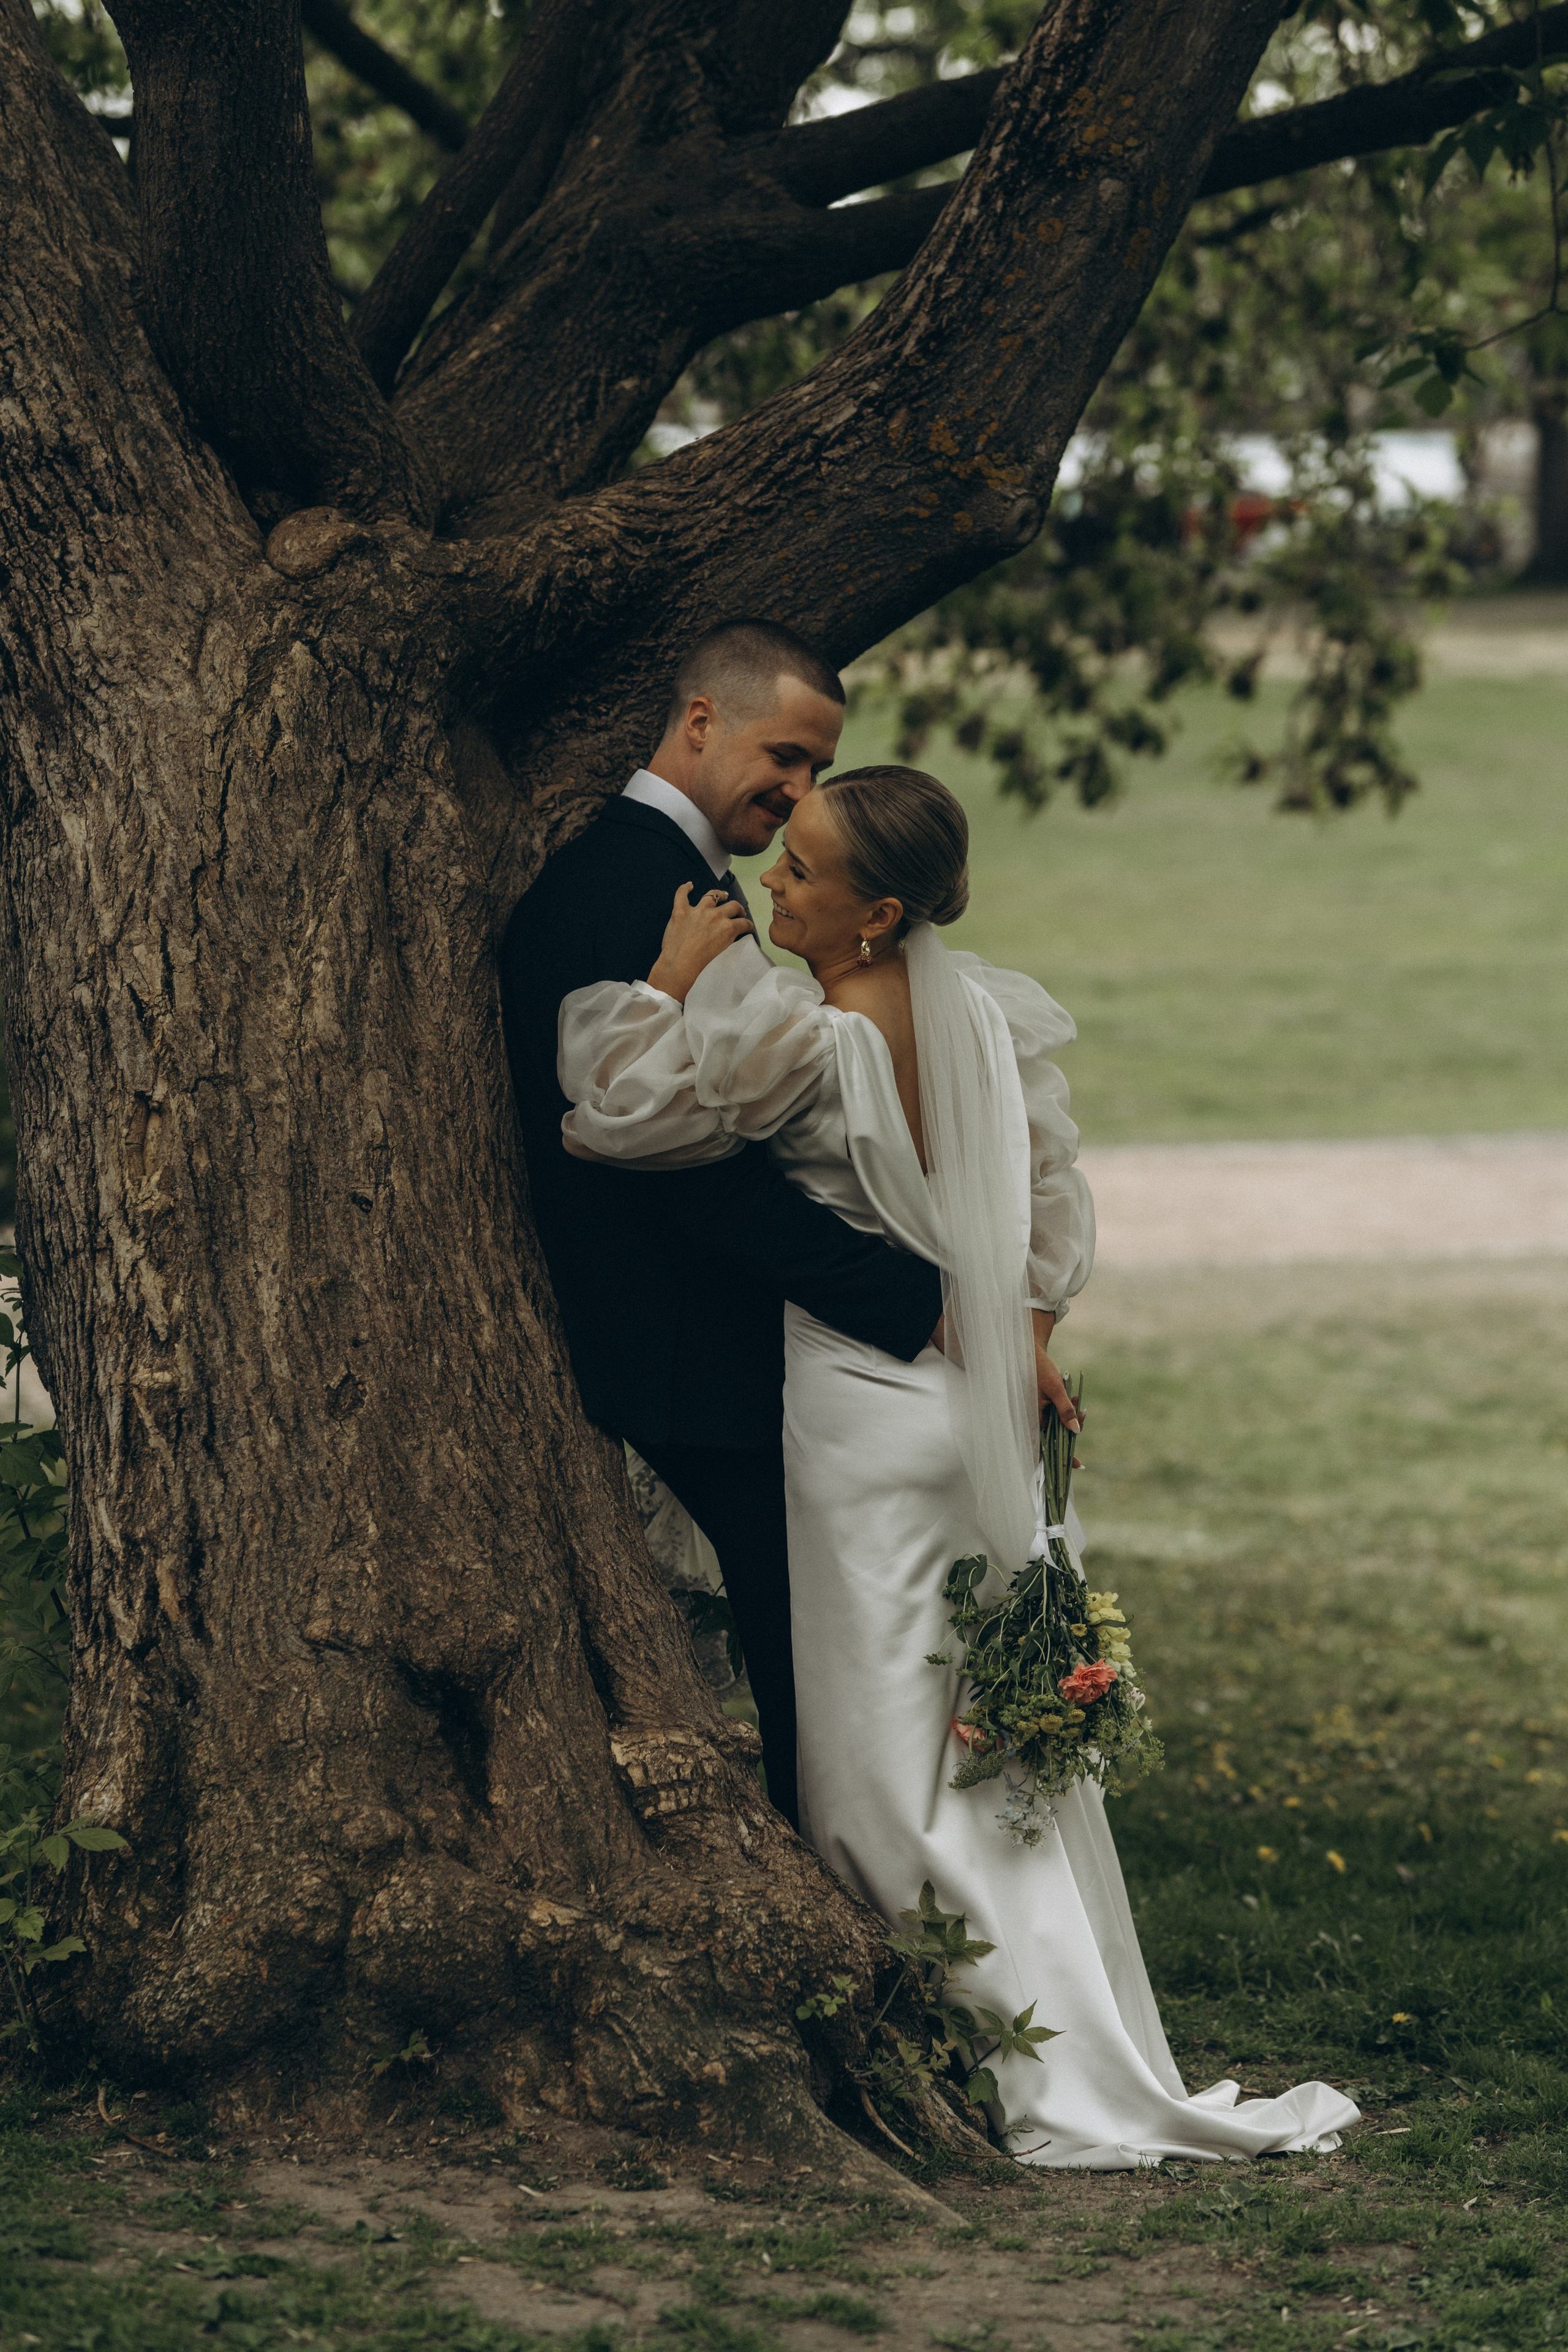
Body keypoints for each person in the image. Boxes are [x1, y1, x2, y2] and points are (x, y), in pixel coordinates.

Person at [556, 761, 1362, 2169]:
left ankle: (959, 2032)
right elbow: (1042, 1191)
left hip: (862, 1414)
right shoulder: (983, 1017)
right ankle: (1046, 2029)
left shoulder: (795, 1032)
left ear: (871, 917)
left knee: (880, 1749)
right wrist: (1024, 1331)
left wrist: (670, 980)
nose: (771, 885)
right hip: (966, 1404)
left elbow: (624, 1115)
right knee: (976, 1740)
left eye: (800, 871)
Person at [499, 621, 946, 1831]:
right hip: (696, 1347)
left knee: (835, 1636)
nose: (798, 791)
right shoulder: (631, 886)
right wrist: (911, 1305)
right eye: (786, 755)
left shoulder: (670, 876)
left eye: (814, 770)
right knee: (809, 1644)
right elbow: (685, 1179)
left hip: (737, 1340)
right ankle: (849, 1879)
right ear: (700, 722)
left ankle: (864, 1873)